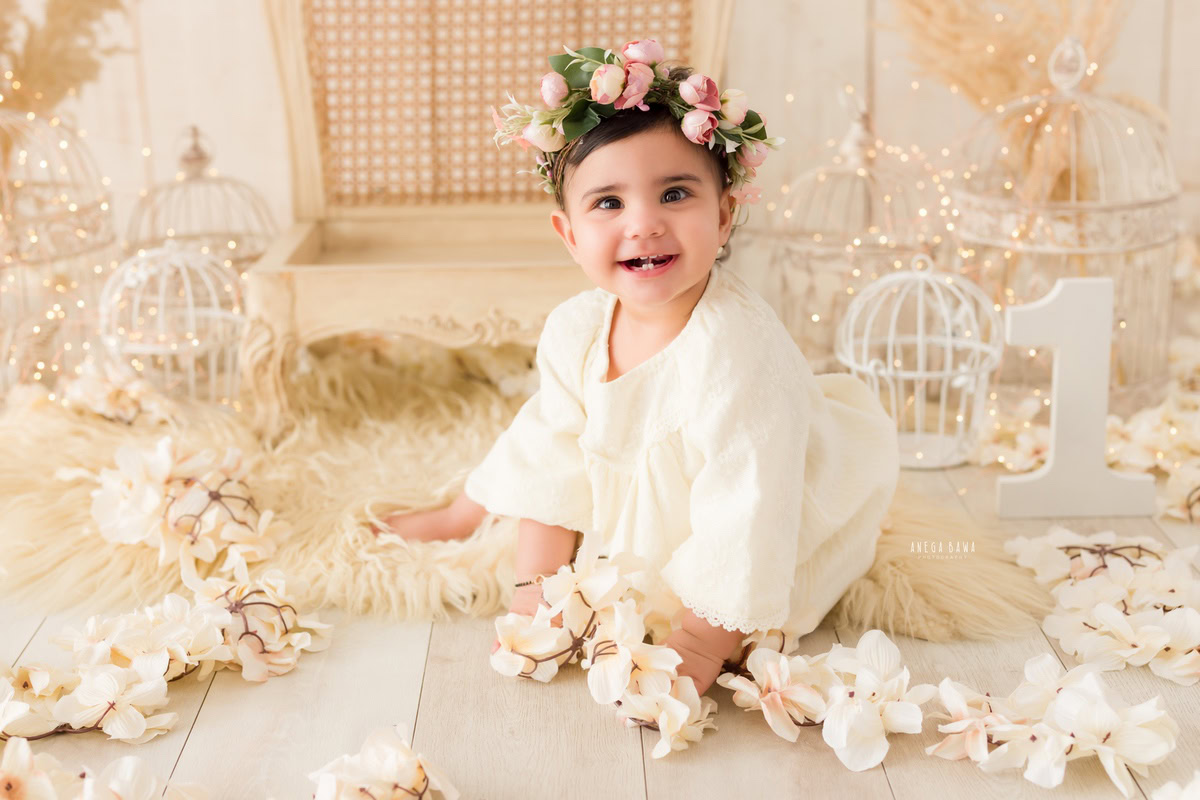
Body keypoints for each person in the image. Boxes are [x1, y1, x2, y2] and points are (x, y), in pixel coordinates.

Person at [376, 39, 899, 694]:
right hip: (670, 497)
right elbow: (550, 455)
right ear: (569, 235)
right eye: (608, 203)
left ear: (725, 215)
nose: (644, 224)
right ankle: (463, 509)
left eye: (675, 193)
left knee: (756, 554)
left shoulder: (738, 353)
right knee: (537, 444)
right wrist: (537, 595)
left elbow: (751, 510)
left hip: (774, 502)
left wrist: (701, 644)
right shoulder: (576, 328)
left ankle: (719, 614)